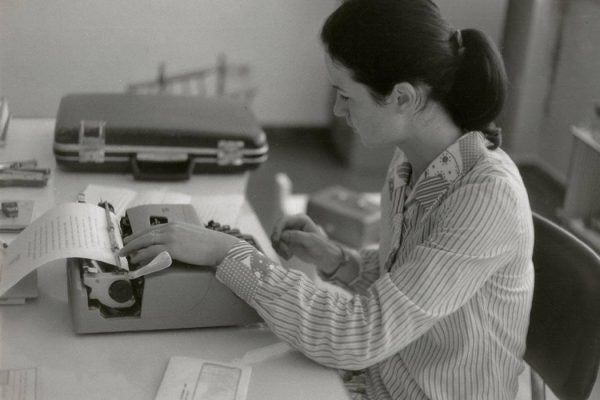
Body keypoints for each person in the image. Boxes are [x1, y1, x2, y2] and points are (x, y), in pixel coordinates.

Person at [120, 0, 535, 399]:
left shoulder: (486, 198)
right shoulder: (409, 161)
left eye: (346, 94)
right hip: (379, 377)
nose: (337, 109)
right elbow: (410, 282)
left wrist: (226, 254)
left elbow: (359, 336)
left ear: (404, 98)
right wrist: (338, 260)